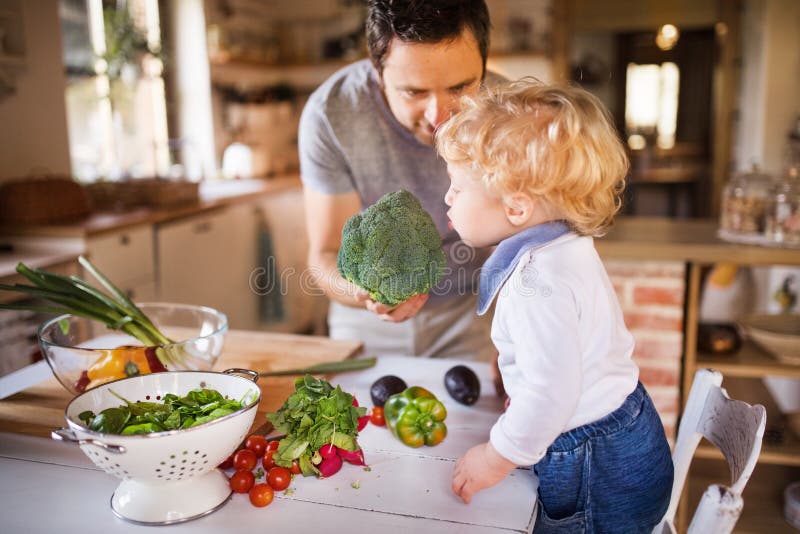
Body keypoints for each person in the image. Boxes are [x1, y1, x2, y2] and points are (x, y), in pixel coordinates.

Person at [437, 80, 674, 532]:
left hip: (594, 467)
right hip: (628, 437)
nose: (448, 198)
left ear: (518, 208)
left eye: (458, 188)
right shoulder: (566, 246)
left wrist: (495, 457)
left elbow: (551, 394)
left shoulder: (532, 281)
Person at [298, 0, 498, 360]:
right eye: (414, 92)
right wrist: (367, 292)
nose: (439, 116)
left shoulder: (511, 115)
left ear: (484, 64)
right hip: (366, 321)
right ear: (377, 72)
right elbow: (324, 254)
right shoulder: (332, 113)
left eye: (460, 87)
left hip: (474, 311)